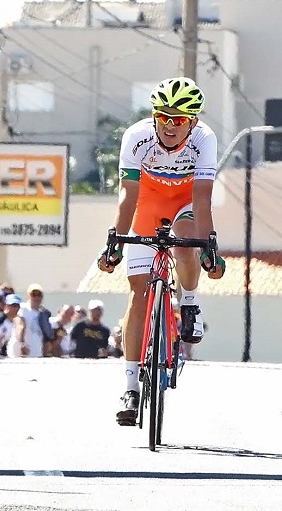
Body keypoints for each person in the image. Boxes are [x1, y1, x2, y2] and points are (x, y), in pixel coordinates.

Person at [96, 77, 225, 426]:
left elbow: (202, 198)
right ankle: (131, 388)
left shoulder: (204, 140)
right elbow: (128, 195)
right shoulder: (137, 137)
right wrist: (115, 242)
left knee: (185, 246)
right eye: (163, 116)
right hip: (147, 207)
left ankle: (190, 304)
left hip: (185, 204)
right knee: (138, 295)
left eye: (179, 119)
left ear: (193, 122)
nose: (170, 125)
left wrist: (209, 243)